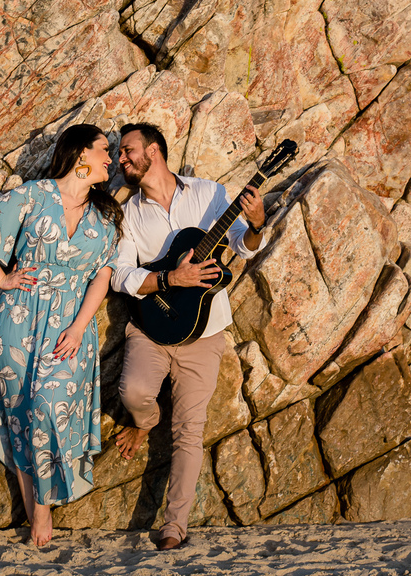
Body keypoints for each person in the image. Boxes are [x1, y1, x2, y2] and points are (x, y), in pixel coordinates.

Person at [0, 124, 122, 547]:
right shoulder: (34, 195)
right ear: (80, 153)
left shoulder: (105, 215)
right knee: (20, 417)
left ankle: (43, 510)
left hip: (70, 326)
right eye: (105, 150)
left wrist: (79, 326)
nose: (112, 159)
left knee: (51, 406)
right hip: (17, 320)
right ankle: (38, 512)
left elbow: (102, 276)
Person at [110, 121, 267, 550]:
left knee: (189, 431)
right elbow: (121, 274)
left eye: (127, 151)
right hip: (152, 325)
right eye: (121, 154)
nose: (121, 159)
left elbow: (242, 245)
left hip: (204, 332)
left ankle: (174, 526)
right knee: (133, 392)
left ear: (155, 151)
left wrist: (255, 224)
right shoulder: (129, 214)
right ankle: (145, 422)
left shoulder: (209, 194)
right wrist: (169, 279)